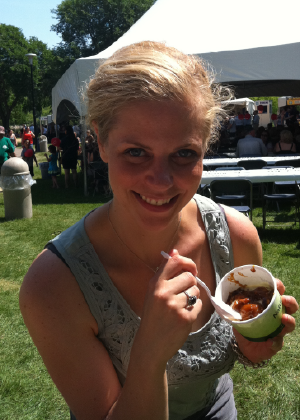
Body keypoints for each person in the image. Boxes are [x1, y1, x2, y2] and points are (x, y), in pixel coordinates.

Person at [19, 42, 298, 420]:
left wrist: (253, 343)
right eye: (136, 152)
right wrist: (149, 353)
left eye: (184, 153)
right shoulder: (53, 284)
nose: (162, 181)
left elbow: (235, 350)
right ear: (100, 141)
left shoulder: (236, 238)